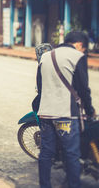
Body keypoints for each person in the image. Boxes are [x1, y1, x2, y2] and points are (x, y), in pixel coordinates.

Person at [36, 31, 95, 188]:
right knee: (71, 154)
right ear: (79, 45)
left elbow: (40, 86)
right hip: (66, 114)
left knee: (46, 153)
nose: (83, 52)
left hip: (45, 113)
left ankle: (45, 185)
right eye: (84, 48)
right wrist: (89, 110)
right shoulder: (78, 57)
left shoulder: (45, 56)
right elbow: (83, 89)